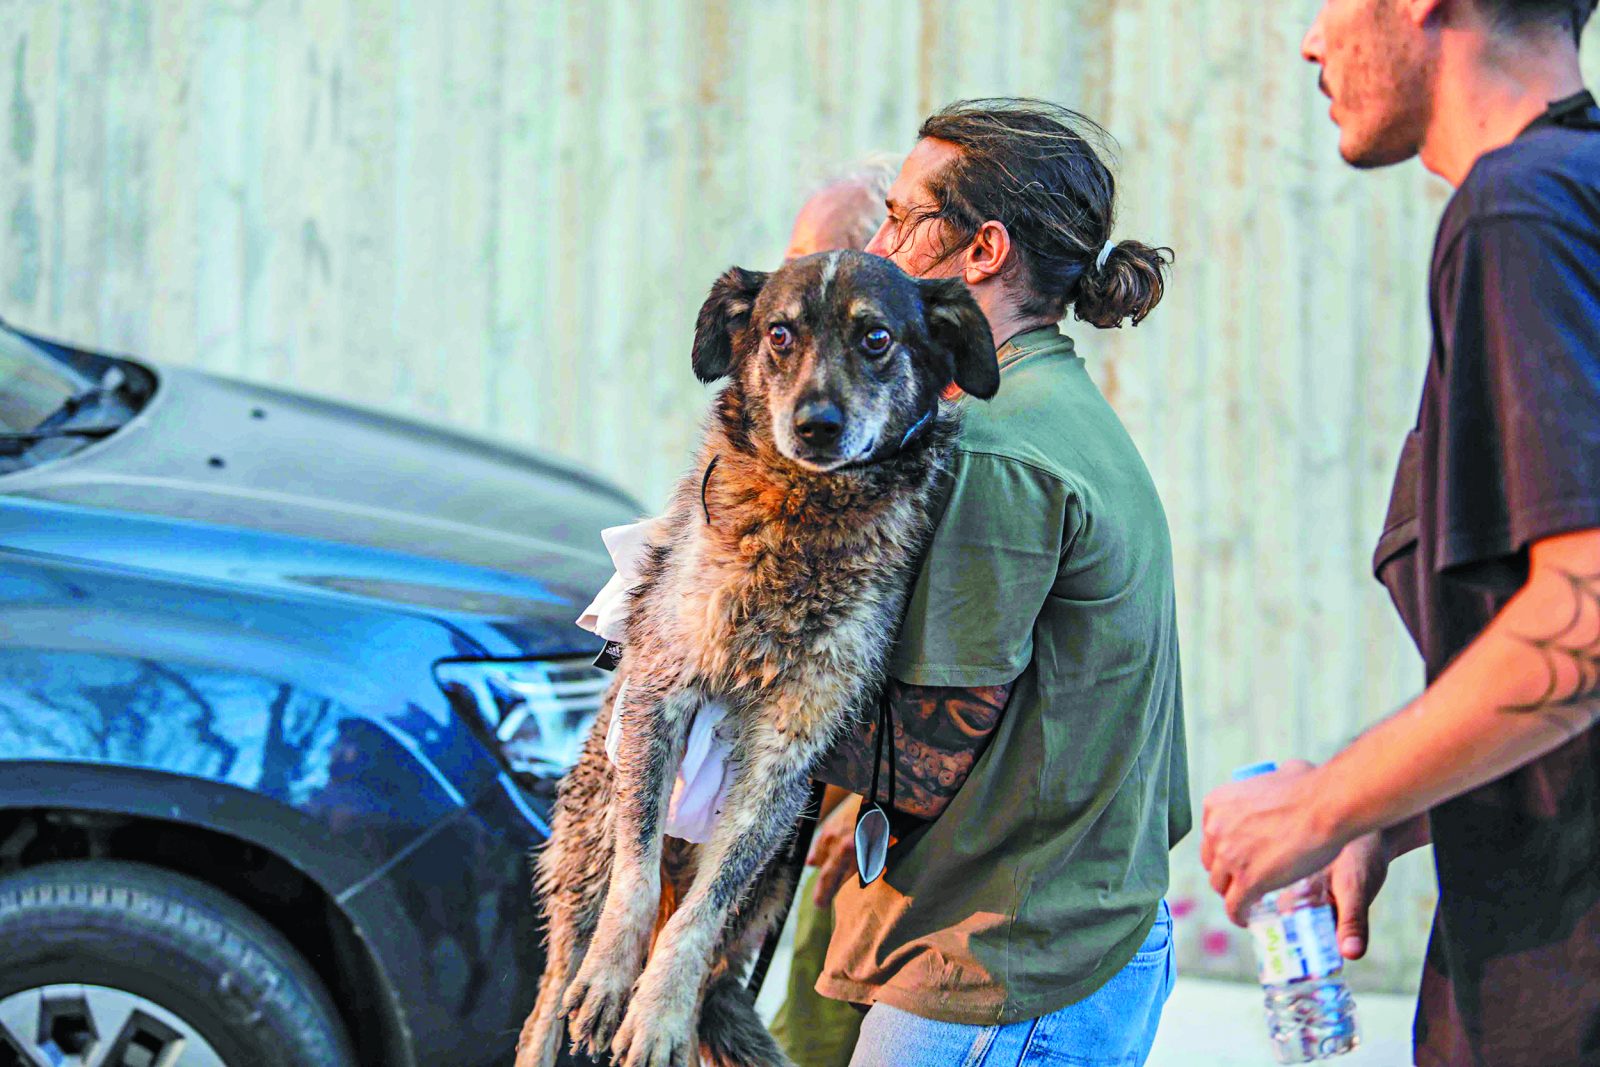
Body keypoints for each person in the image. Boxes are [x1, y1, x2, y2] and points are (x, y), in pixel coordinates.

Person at [1200, 3, 1600, 1065]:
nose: (1311, 41)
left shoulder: (1518, 213)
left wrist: (1321, 804)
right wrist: (1390, 804)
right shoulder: (1572, 200)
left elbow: (1587, 622)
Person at [806, 99, 1189, 1067]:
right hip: (1039, 943)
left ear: (983, 250)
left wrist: (716, 710)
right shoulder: (1037, 402)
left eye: (902, 219)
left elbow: (924, 754)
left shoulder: (996, 443)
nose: (878, 246)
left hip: (1004, 971)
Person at [765, 157, 898, 1067]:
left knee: (821, 1013)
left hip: (877, 798)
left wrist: (872, 793)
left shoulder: (916, 413)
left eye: (813, 258)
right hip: (830, 776)